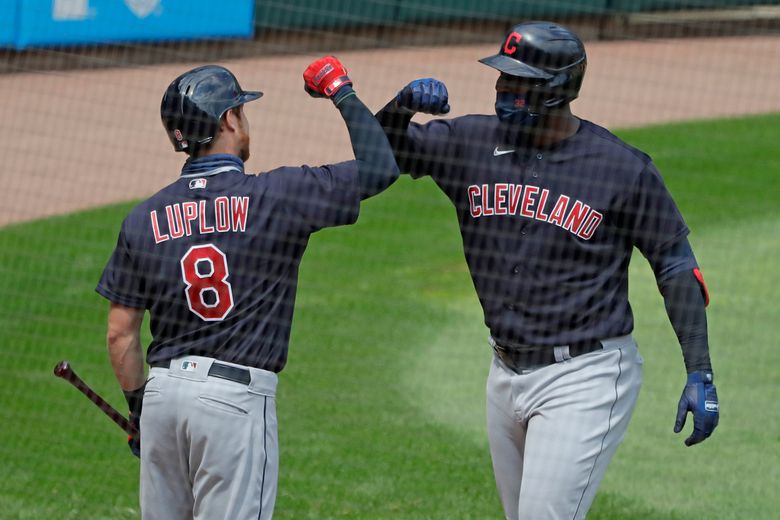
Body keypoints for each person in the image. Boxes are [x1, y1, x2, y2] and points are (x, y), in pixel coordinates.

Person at [375, 21, 719, 519]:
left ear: (556, 90)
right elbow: (381, 155)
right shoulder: (469, 143)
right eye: (501, 79)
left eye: (516, 83)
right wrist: (399, 108)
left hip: (587, 374)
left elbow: (675, 265)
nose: (501, 92)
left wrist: (700, 370)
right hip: (504, 371)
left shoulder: (621, 168)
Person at [96, 58, 399, 519]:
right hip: (231, 404)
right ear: (228, 120)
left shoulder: (142, 218)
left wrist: (140, 411)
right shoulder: (279, 195)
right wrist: (341, 90)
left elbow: (120, 334)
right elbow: (379, 168)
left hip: (162, 397)